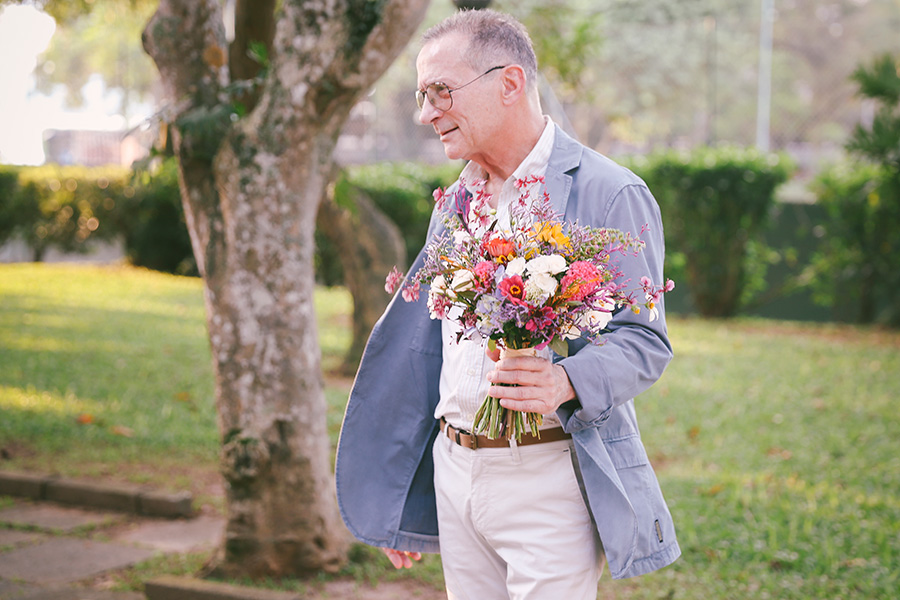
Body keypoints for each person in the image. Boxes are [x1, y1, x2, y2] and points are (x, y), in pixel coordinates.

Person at [335, 9, 680, 599]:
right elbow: (428, 351)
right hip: (455, 471)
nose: (425, 114)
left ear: (510, 82)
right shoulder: (455, 201)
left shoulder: (611, 192)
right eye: (422, 95)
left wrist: (563, 380)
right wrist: (402, 489)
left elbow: (645, 342)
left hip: (549, 478)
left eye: (440, 92)